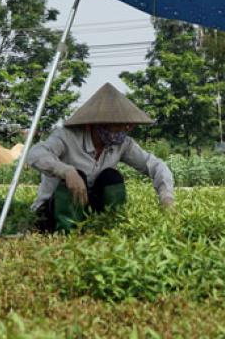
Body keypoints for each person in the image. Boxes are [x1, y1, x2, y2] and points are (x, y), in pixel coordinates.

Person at [27, 82, 174, 233]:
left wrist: (166, 196)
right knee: (78, 175)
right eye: (117, 125)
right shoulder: (67, 136)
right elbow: (35, 154)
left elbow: (155, 165)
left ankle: (109, 226)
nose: (124, 130)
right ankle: (65, 233)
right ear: (95, 125)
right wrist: (66, 171)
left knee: (111, 177)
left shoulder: (122, 144)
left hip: (89, 210)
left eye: (127, 126)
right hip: (53, 210)